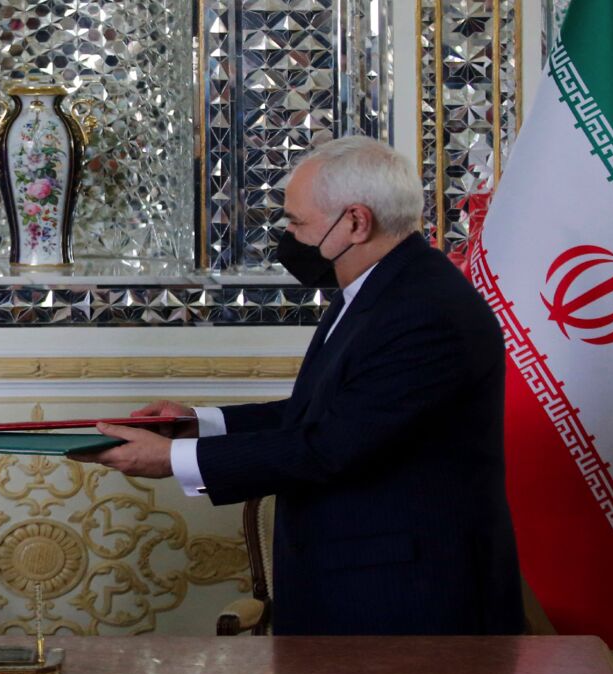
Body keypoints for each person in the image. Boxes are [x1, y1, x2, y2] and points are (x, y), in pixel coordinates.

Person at [78, 136, 525, 635]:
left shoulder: (426, 310)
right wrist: (198, 424)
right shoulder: (380, 287)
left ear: (355, 222)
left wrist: (173, 460)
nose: (287, 236)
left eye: (296, 223)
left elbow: (333, 446)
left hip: (407, 602)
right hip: (360, 586)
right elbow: (328, 412)